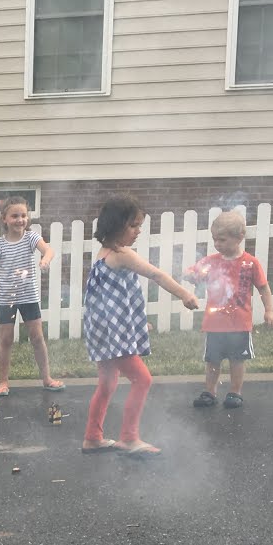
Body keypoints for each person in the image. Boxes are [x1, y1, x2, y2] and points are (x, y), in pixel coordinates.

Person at [82, 196, 199, 457]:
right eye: (133, 225)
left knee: (107, 383)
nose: (138, 231)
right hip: (114, 335)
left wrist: (135, 321)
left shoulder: (103, 255)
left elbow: (111, 298)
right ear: (117, 225)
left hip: (102, 331)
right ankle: (129, 438)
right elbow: (156, 274)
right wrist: (184, 294)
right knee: (142, 379)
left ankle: (92, 437)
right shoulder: (122, 255)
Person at [183, 210, 273, 409]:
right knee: (212, 360)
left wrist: (269, 310)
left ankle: (235, 392)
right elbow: (192, 272)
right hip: (214, 324)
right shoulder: (211, 261)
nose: (217, 244)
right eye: (215, 239)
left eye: (222, 240)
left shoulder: (250, 263)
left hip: (239, 324)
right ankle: (210, 392)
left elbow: (263, 288)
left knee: (237, 360)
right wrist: (189, 275)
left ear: (239, 237)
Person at [0, 197, 63, 396]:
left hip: (29, 296)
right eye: (15, 216)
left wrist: (45, 259)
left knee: (37, 337)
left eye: (24, 215)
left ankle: (47, 378)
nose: (20, 220)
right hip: (6, 298)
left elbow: (49, 250)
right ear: (5, 219)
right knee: (6, 340)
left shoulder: (31, 238)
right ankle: (3, 382)